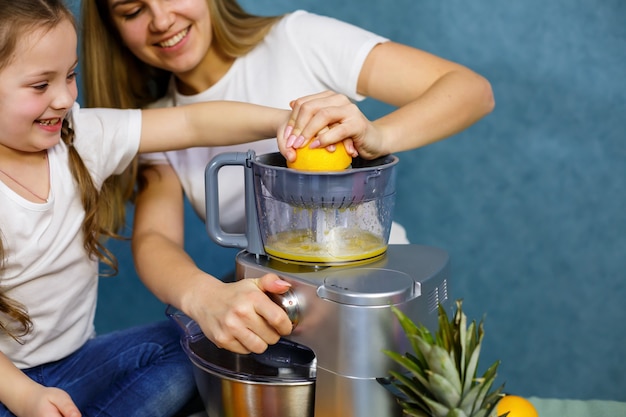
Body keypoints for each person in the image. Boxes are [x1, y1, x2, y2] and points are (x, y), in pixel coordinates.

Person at [81, 0, 494, 356]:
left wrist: (378, 135)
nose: (161, 19)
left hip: (376, 296)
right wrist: (203, 297)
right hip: (282, 315)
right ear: (113, 30)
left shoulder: (296, 40)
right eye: (133, 10)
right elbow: (157, 240)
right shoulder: (158, 123)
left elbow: (471, 90)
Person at [0, 1, 337, 415]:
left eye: (70, 76)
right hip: (6, 384)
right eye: (40, 86)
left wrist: (286, 122)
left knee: (201, 347)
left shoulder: (82, 136)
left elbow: (192, 124)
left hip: (79, 361)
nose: (65, 98)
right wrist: (24, 396)